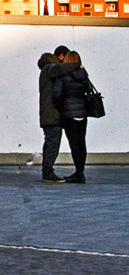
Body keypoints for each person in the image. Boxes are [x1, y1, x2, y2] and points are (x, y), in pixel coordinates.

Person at [37, 46, 80, 182]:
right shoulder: (49, 68)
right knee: (53, 144)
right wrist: (76, 65)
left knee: (49, 143)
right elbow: (59, 69)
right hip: (52, 115)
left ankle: (46, 171)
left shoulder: (45, 70)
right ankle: (48, 172)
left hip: (48, 114)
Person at [52, 50, 90, 184]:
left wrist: (60, 106)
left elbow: (57, 94)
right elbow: (87, 90)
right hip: (82, 113)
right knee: (81, 143)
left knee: (74, 144)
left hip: (68, 114)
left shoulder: (63, 76)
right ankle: (81, 171)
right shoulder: (84, 74)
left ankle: (79, 173)